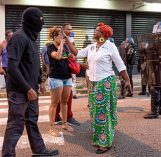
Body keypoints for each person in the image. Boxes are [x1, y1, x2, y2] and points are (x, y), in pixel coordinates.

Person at [2, 7, 58, 157]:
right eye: (39, 20)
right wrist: (27, 88)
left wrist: (40, 81)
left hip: (31, 88)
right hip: (19, 90)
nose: (41, 23)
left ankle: (39, 150)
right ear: (30, 22)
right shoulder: (18, 38)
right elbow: (12, 68)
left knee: (32, 120)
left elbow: (32, 63)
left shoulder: (31, 38)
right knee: (15, 124)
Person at [68, 22, 132, 154]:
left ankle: (105, 142)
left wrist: (127, 80)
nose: (94, 32)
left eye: (97, 31)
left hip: (105, 81)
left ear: (103, 34)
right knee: (94, 111)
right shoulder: (91, 47)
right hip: (93, 82)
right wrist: (67, 41)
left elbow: (120, 64)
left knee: (102, 112)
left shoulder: (110, 46)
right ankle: (100, 134)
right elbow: (77, 53)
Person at [54, 23, 80, 126]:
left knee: (67, 97)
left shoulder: (69, 43)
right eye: (67, 29)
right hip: (57, 74)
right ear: (62, 30)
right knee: (58, 98)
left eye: (71, 29)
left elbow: (74, 55)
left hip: (67, 73)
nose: (70, 31)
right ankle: (58, 117)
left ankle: (66, 117)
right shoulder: (56, 43)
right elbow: (54, 57)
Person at [143, 21, 161, 119]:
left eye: (157, 28)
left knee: (155, 87)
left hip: (158, 66)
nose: (155, 30)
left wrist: (146, 48)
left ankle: (154, 111)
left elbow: (157, 52)